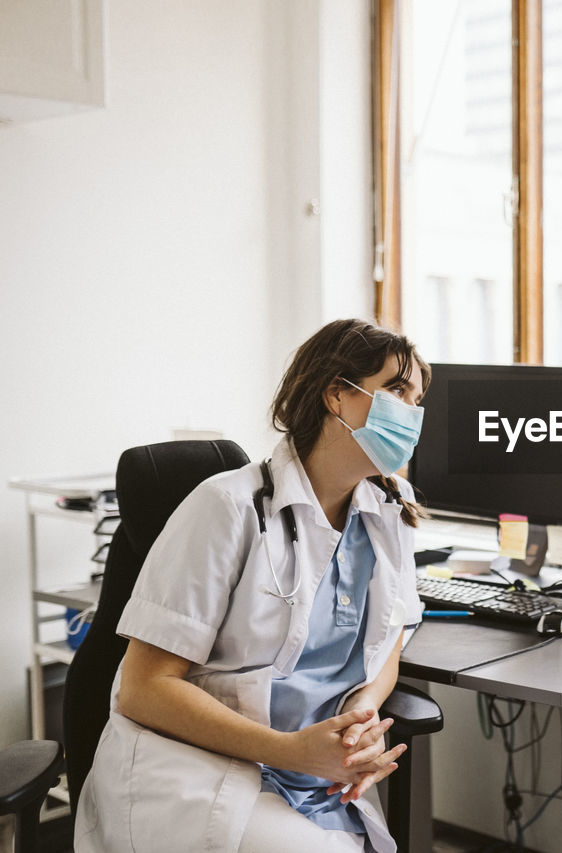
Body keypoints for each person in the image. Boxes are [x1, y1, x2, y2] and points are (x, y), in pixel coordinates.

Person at [75, 319, 431, 853]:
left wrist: (360, 721)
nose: (413, 413)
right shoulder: (227, 506)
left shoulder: (389, 509)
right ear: (337, 393)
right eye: (397, 391)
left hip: (314, 773)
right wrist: (290, 750)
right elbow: (143, 688)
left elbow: (392, 635)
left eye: (417, 398)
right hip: (198, 768)